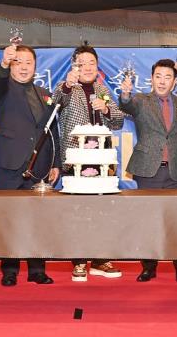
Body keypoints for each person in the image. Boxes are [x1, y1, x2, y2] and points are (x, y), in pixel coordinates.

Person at [52, 45, 124, 282]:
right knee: (77, 212)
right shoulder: (66, 87)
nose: (88, 67)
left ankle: (101, 259)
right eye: (82, 63)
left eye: (92, 62)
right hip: (76, 160)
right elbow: (54, 102)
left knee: (103, 212)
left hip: (101, 161)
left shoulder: (102, 89)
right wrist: (67, 84)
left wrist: (106, 109)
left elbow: (118, 121)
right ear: (74, 65)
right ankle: (79, 260)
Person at [119, 59, 177, 282]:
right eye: (158, 76)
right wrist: (125, 94)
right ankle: (149, 267)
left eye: (167, 77)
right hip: (148, 170)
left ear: (174, 81)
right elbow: (126, 105)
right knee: (148, 220)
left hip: (176, 171)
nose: (162, 81)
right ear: (151, 79)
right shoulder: (141, 100)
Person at [0, 44, 60, 287]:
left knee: (37, 221)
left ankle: (37, 270)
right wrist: (3, 64)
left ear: (35, 66)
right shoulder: (2, 89)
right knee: (8, 220)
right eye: (17, 62)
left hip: (39, 167)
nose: (23, 67)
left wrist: (56, 162)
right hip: (8, 165)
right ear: (11, 65)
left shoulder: (44, 93)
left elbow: (52, 130)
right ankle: (9, 270)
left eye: (28, 62)